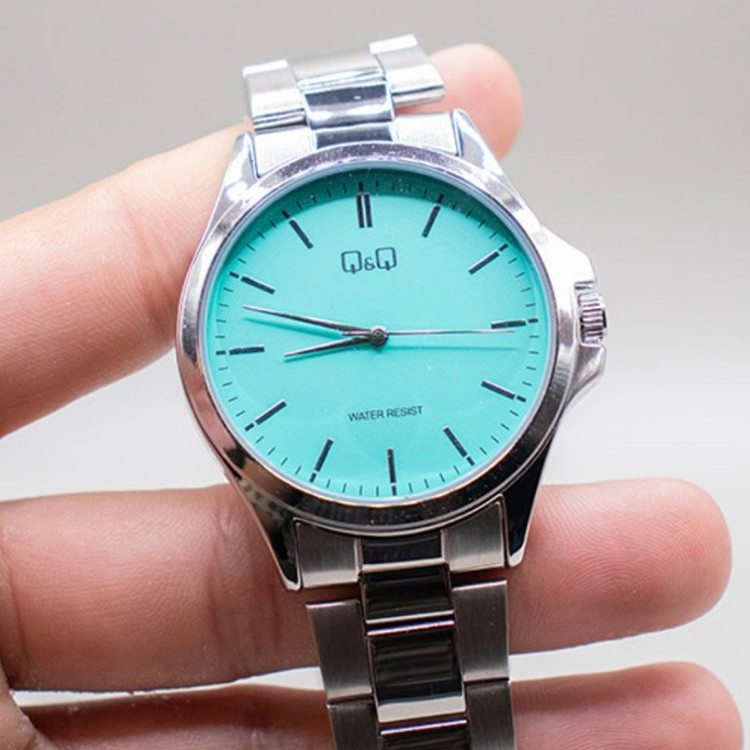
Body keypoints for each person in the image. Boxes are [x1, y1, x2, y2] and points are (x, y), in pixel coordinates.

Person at [0, 44, 741, 749]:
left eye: (375, 332)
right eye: (363, 333)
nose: (376, 334)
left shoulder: (456, 169)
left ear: (576, 318)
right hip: (330, 500)